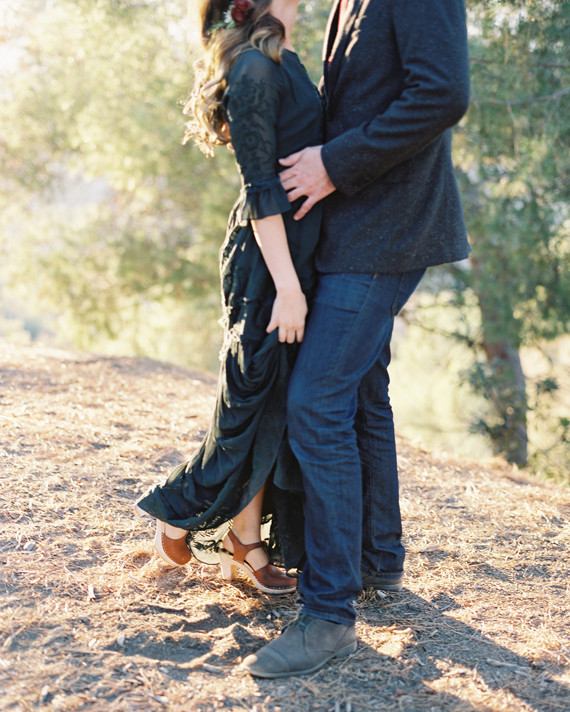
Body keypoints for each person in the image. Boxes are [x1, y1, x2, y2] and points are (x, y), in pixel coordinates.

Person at [243, 0, 471, 675]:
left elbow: (444, 93)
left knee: (317, 403)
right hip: (354, 230)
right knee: (365, 390)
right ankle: (376, 559)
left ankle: (329, 614)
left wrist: (334, 164)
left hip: (389, 229)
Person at [135, 0, 323, 595]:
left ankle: (245, 541)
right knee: (249, 400)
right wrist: (288, 288)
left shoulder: (284, 59)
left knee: (272, 402)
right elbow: (261, 189)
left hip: (295, 257)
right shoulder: (253, 70)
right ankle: (176, 510)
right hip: (267, 264)